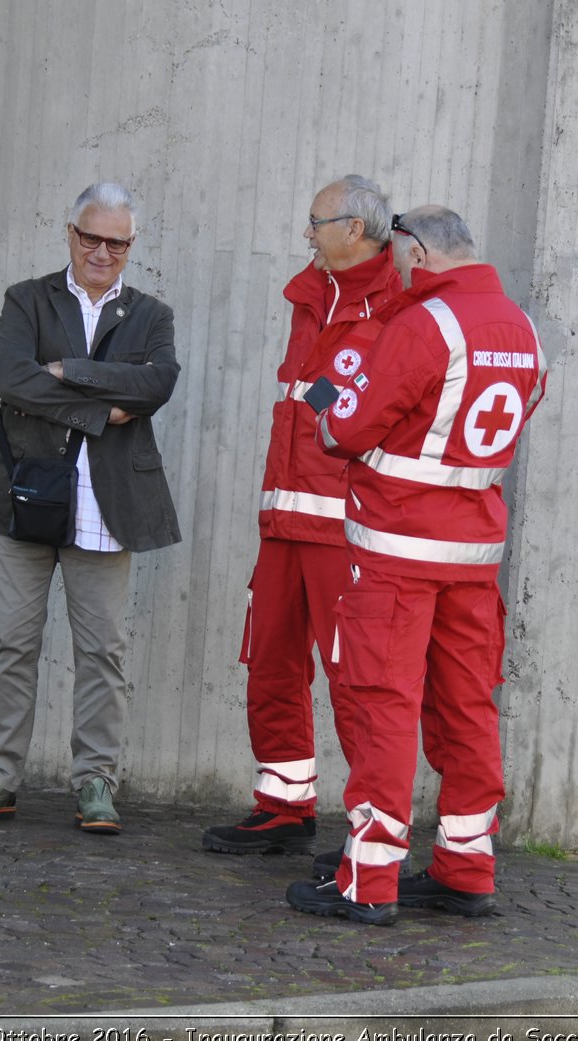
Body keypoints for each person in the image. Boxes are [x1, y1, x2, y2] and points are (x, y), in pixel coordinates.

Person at [285, 205, 547, 925]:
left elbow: (348, 427)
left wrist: (328, 404)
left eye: (401, 258)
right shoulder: (524, 330)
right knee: (467, 708)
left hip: (399, 551)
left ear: (421, 252)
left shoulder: (424, 324)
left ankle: (367, 879)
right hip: (474, 555)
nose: (397, 270)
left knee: (383, 705)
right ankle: (468, 868)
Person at [0, 181, 180, 834]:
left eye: (117, 241)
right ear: (70, 234)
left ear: (130, 247)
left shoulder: (151, 316)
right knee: (12, 643)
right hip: (23, 495)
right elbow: (12, 378)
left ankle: (96, 784)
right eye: (91, 236)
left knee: (103, 650)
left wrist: (62, 372)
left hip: (106, 508)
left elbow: (156, 382)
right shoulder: (26, 299)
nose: (102, 250)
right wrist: (101, 405)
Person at [201, 176, 404, 857]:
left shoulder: (399, 303)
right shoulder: (310, 294)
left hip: (344, 529)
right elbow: (312, 387)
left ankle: (369, 831)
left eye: (315, 222)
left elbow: (371, 400)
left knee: (355, 682)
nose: (306, 234)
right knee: (271, 664)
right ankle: (284, 804)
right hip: (284, 520)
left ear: (354, 229)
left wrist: (325, 406)